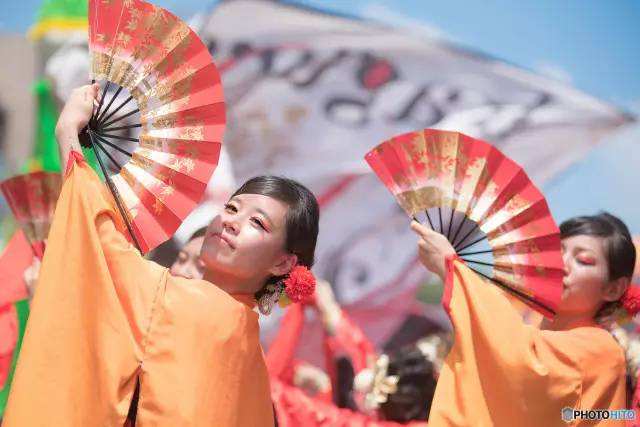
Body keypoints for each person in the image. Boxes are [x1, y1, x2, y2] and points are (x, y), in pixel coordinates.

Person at [4, 85, 320, 426]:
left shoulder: (198, 308)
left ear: (283, 263)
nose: (231, 222)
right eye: (232, 207)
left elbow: (106, 251)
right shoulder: (246, 343)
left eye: (257, 222)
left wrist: (68, 135)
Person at [411, 212, 637, 426]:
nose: (563, 265)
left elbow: (523, 360)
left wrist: (452, 269)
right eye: (558, 251)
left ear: (613, 289)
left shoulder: (603, 350)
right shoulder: (535, 330)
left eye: (583, 261)